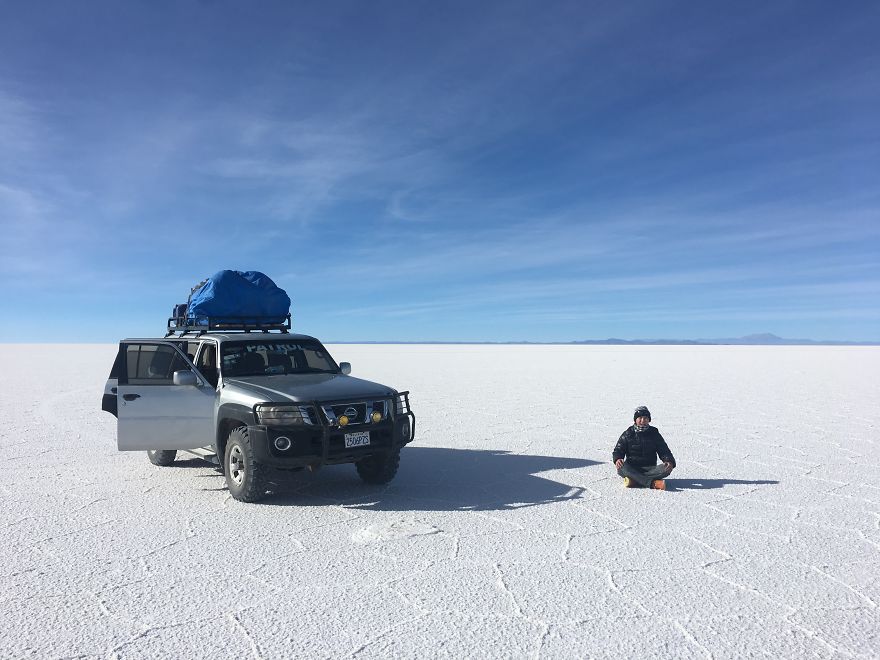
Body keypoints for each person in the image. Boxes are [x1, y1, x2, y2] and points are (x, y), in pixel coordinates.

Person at [613, 406, 675, 490]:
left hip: (650, 469)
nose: (643, 421)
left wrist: (669, 461)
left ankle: (634, 480)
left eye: (645, 418)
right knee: (622, 467)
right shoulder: (628, 433)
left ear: (649, 420)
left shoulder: (654, 433)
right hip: (632, 468)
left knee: (665, 468)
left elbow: (664, 450)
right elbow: (618, 449)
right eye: (640, 418)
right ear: (635, 420)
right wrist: (618, 459)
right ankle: (652, 483)